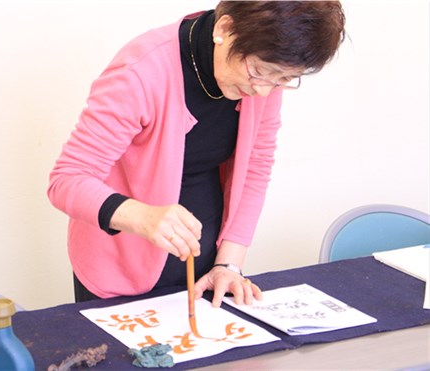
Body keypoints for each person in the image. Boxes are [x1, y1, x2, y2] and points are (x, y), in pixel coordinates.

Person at [48, 1, 346, 307]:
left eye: (284, 79)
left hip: (205, 266)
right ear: (224, 29)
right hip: (119, 268)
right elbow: (67, 179)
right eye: (259, 71)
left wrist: (228, 264)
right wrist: (143, 216)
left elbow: (256, 168)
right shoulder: (140, 71)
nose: (264, 92)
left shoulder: (265, 78)